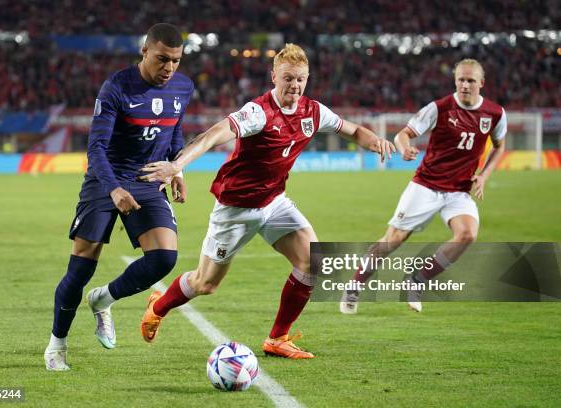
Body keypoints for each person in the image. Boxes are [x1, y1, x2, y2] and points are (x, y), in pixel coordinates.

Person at [137, 43, 395, 359]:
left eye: (301, 79)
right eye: (288, 78)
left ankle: (277, 339)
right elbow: (214, 134)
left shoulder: (313, 111)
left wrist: (376, 142)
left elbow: (352, 130)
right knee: (206, 284)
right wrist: (178, 165)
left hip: (274, 203)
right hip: (236, 209)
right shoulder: (258, 112)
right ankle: (158, 306)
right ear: (274, 76)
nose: (295, 86)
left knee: (312, 260)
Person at [44, 23, 194, 371]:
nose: (169, 69)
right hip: (105, 178)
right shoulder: (117, 87)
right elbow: (95, 148)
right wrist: (114, 189)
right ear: (144, 51)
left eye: (175, 61)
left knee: (164, 258)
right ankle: (57, 345)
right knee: (80, 268)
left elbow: (175, 132)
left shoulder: (182, 88)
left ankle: (104, 299)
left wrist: (177, 171)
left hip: (148, 176)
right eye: (162, 59)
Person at [339, 58, 507, 314]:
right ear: (455, 80)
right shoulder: (439, 108)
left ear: (481, 83)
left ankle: (416, 280)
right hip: (426, 185)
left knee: (467, 234)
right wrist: (405, 148)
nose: (464, 85)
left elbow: (499, 146)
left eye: (470, 80)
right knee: (393, 239)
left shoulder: (495, 114)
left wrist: (483, 176)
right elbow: (403, 134)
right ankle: (355, 285)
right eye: (460, 79)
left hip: (458, 191)